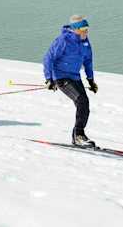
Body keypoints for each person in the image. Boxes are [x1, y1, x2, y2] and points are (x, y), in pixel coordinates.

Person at [42, 15, 99, 147]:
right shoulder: (64, 40)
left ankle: (78, 136)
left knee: (84, 104)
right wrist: (49, 79)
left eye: (87, 28)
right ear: (76, 29)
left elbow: (88, 61)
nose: (86, 31)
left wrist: (90, 80)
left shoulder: (85, 41)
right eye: (83, 29)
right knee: (81, 101)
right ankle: (78, 136)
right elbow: (48, 58)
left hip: (75, 77)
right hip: (61, 77)